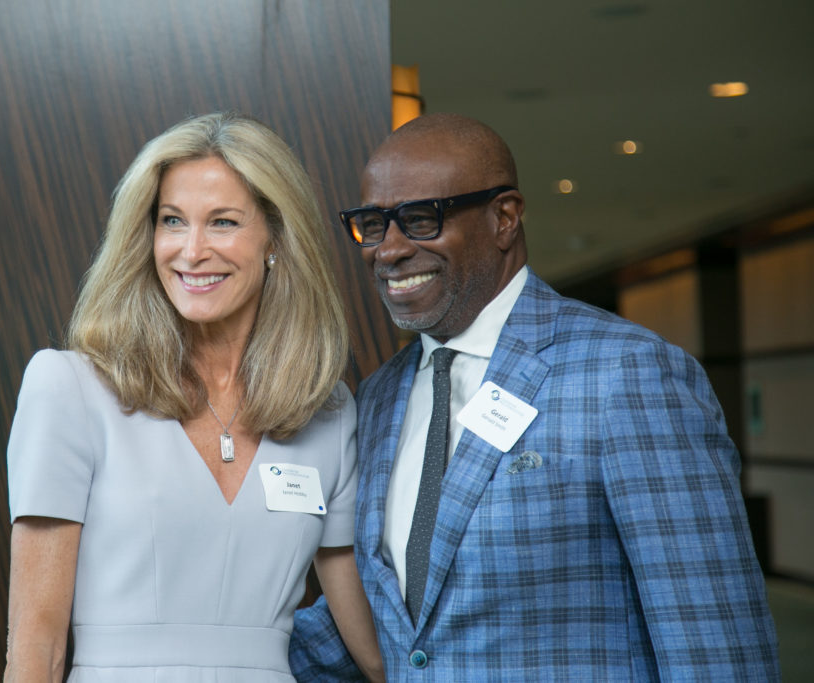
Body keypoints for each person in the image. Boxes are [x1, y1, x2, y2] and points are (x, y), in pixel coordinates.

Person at [289, 113, 780, 680]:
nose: (389, 250)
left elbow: (713, 643)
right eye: (372, 225)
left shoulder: (626, 374)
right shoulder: (375, 400)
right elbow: (394, 623)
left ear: (505, 217)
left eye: (421, 220)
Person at [4, 112, 383, 682]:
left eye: (223, 222)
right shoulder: (69, 388)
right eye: (172, 221)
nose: (192, 250)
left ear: (276, 239)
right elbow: (36, 648)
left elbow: (374, 652)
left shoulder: (327, 412)